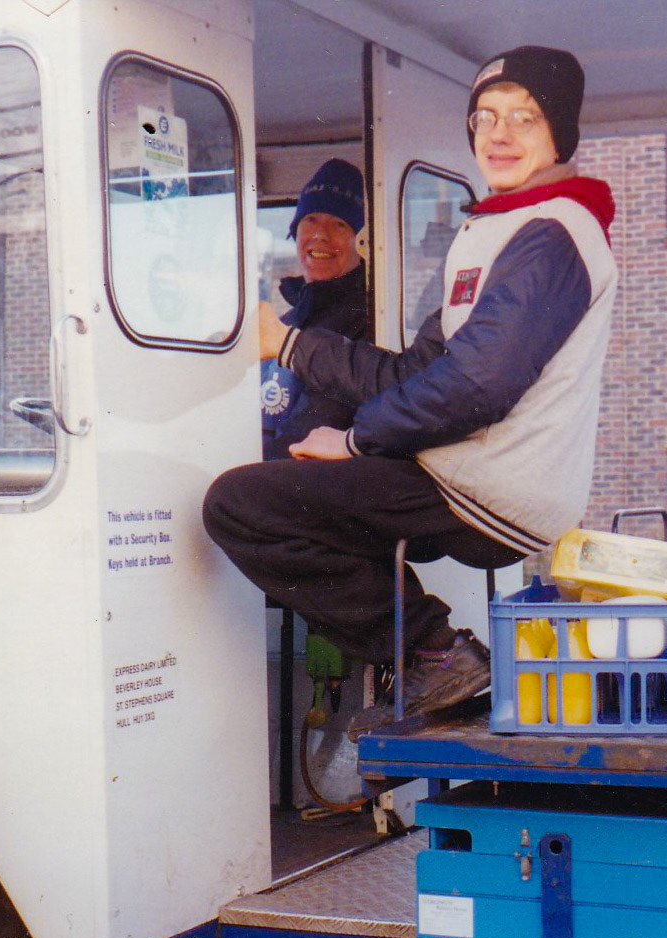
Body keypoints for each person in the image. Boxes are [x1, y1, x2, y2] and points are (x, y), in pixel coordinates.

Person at [204, 45, 616, 718]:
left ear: (559, 133)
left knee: (239, 504)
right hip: (470, 474)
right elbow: (412, 372)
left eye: (524, 117)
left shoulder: (552, 233)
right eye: (484, 118)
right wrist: (290, 344)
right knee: (294, 489)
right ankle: (424, 655)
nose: (499, 134)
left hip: (488, 487)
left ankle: (433, 651)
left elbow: (478, 386)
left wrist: (359, 442)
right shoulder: (501, 228)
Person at [261, 158, 370, 461]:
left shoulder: (366, 324)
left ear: (360, 241)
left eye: (339, 223)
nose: (320, 234)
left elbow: (315, 428)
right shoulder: (287, 321)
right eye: (310, 220)